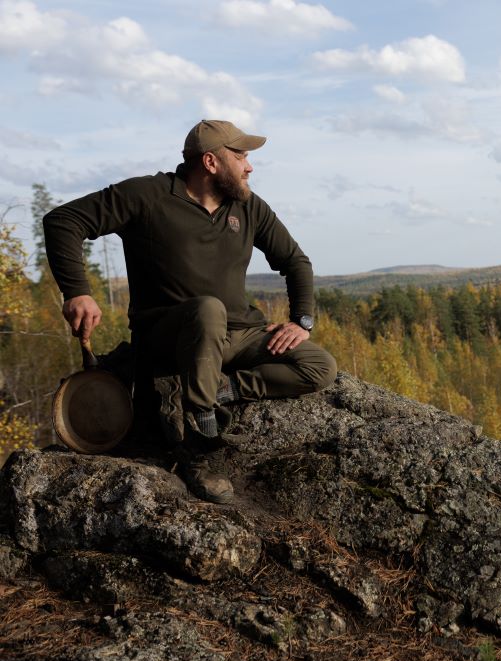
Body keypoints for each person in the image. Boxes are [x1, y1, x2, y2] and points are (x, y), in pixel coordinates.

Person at [43, 119, 338, 504]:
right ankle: (199, 447)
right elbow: (63, 221)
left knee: (320, 366)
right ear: (211, 162)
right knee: (207, 310)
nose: (249, 166)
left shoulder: (248, 206)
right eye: (241, 156)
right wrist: (78, 292)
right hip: (170, 336)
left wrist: (302, 321)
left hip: (236, 335)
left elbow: (296, 261)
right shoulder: (147, 195)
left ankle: (221, 388)